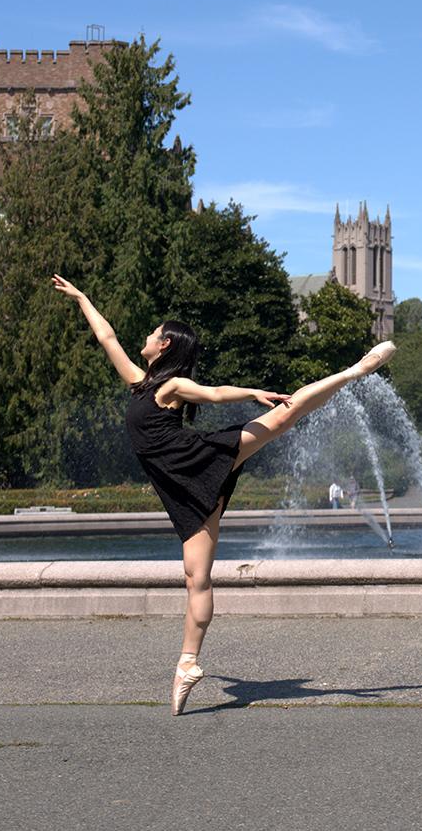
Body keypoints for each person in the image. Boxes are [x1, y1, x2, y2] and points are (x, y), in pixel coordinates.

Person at [53, 273, 393, 716]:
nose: (146, 336)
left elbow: (211, 393)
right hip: (183, 490)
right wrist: (82, 297)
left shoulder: (168, 387)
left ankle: (355, 370)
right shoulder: (139, 381)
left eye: (154, 334)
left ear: (166, 346)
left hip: (199, 459)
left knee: (283, 418)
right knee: (197, 577)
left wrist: (250, 392)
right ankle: (189, 663)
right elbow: (107, 336)